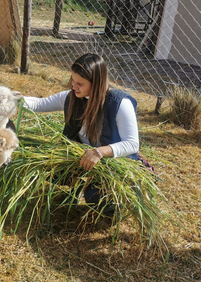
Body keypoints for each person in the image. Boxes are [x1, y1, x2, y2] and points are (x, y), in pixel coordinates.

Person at [23, 53, 141, 213]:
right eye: (72, 80)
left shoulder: (119, 103)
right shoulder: (73, 97)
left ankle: (120, 203)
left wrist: (99, 152)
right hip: (83, 156)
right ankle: (76, 184)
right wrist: (6, 98)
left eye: (80, 83)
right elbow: (38, 104)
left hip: (112, 160)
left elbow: (132, 144)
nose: (73, 86)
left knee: (98, 199)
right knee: (50, 168)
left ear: (97, 84)